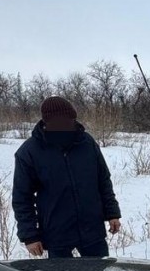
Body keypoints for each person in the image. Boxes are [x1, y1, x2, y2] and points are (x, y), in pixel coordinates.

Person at [12, 96, 122, 258]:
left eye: (69, 121)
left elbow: (103, 180)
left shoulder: (87, 143)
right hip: (57, 232)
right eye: (59, 123)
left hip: (92, 229)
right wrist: (30, 236)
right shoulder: (29, 152)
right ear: (47, 122)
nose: (65, 126)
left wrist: (112, 213)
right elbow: (22, 198)